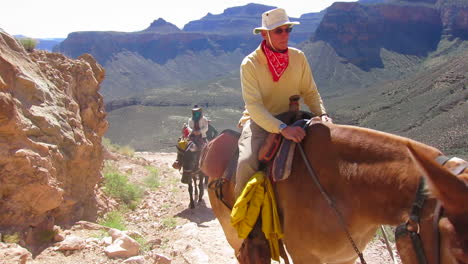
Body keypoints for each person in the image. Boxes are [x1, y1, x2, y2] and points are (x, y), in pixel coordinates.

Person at [235, 8, 332, 198]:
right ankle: (241, 215)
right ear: (264, 34)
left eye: (288, 29)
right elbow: (254, 106)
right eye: (278, 30)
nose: (285, 35)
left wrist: (322, 114)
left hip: (294, 117)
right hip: (262, 121)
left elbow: (310, 92)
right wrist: (281, 128)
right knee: (246, 162)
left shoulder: (298, 57)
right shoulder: (250, 64)